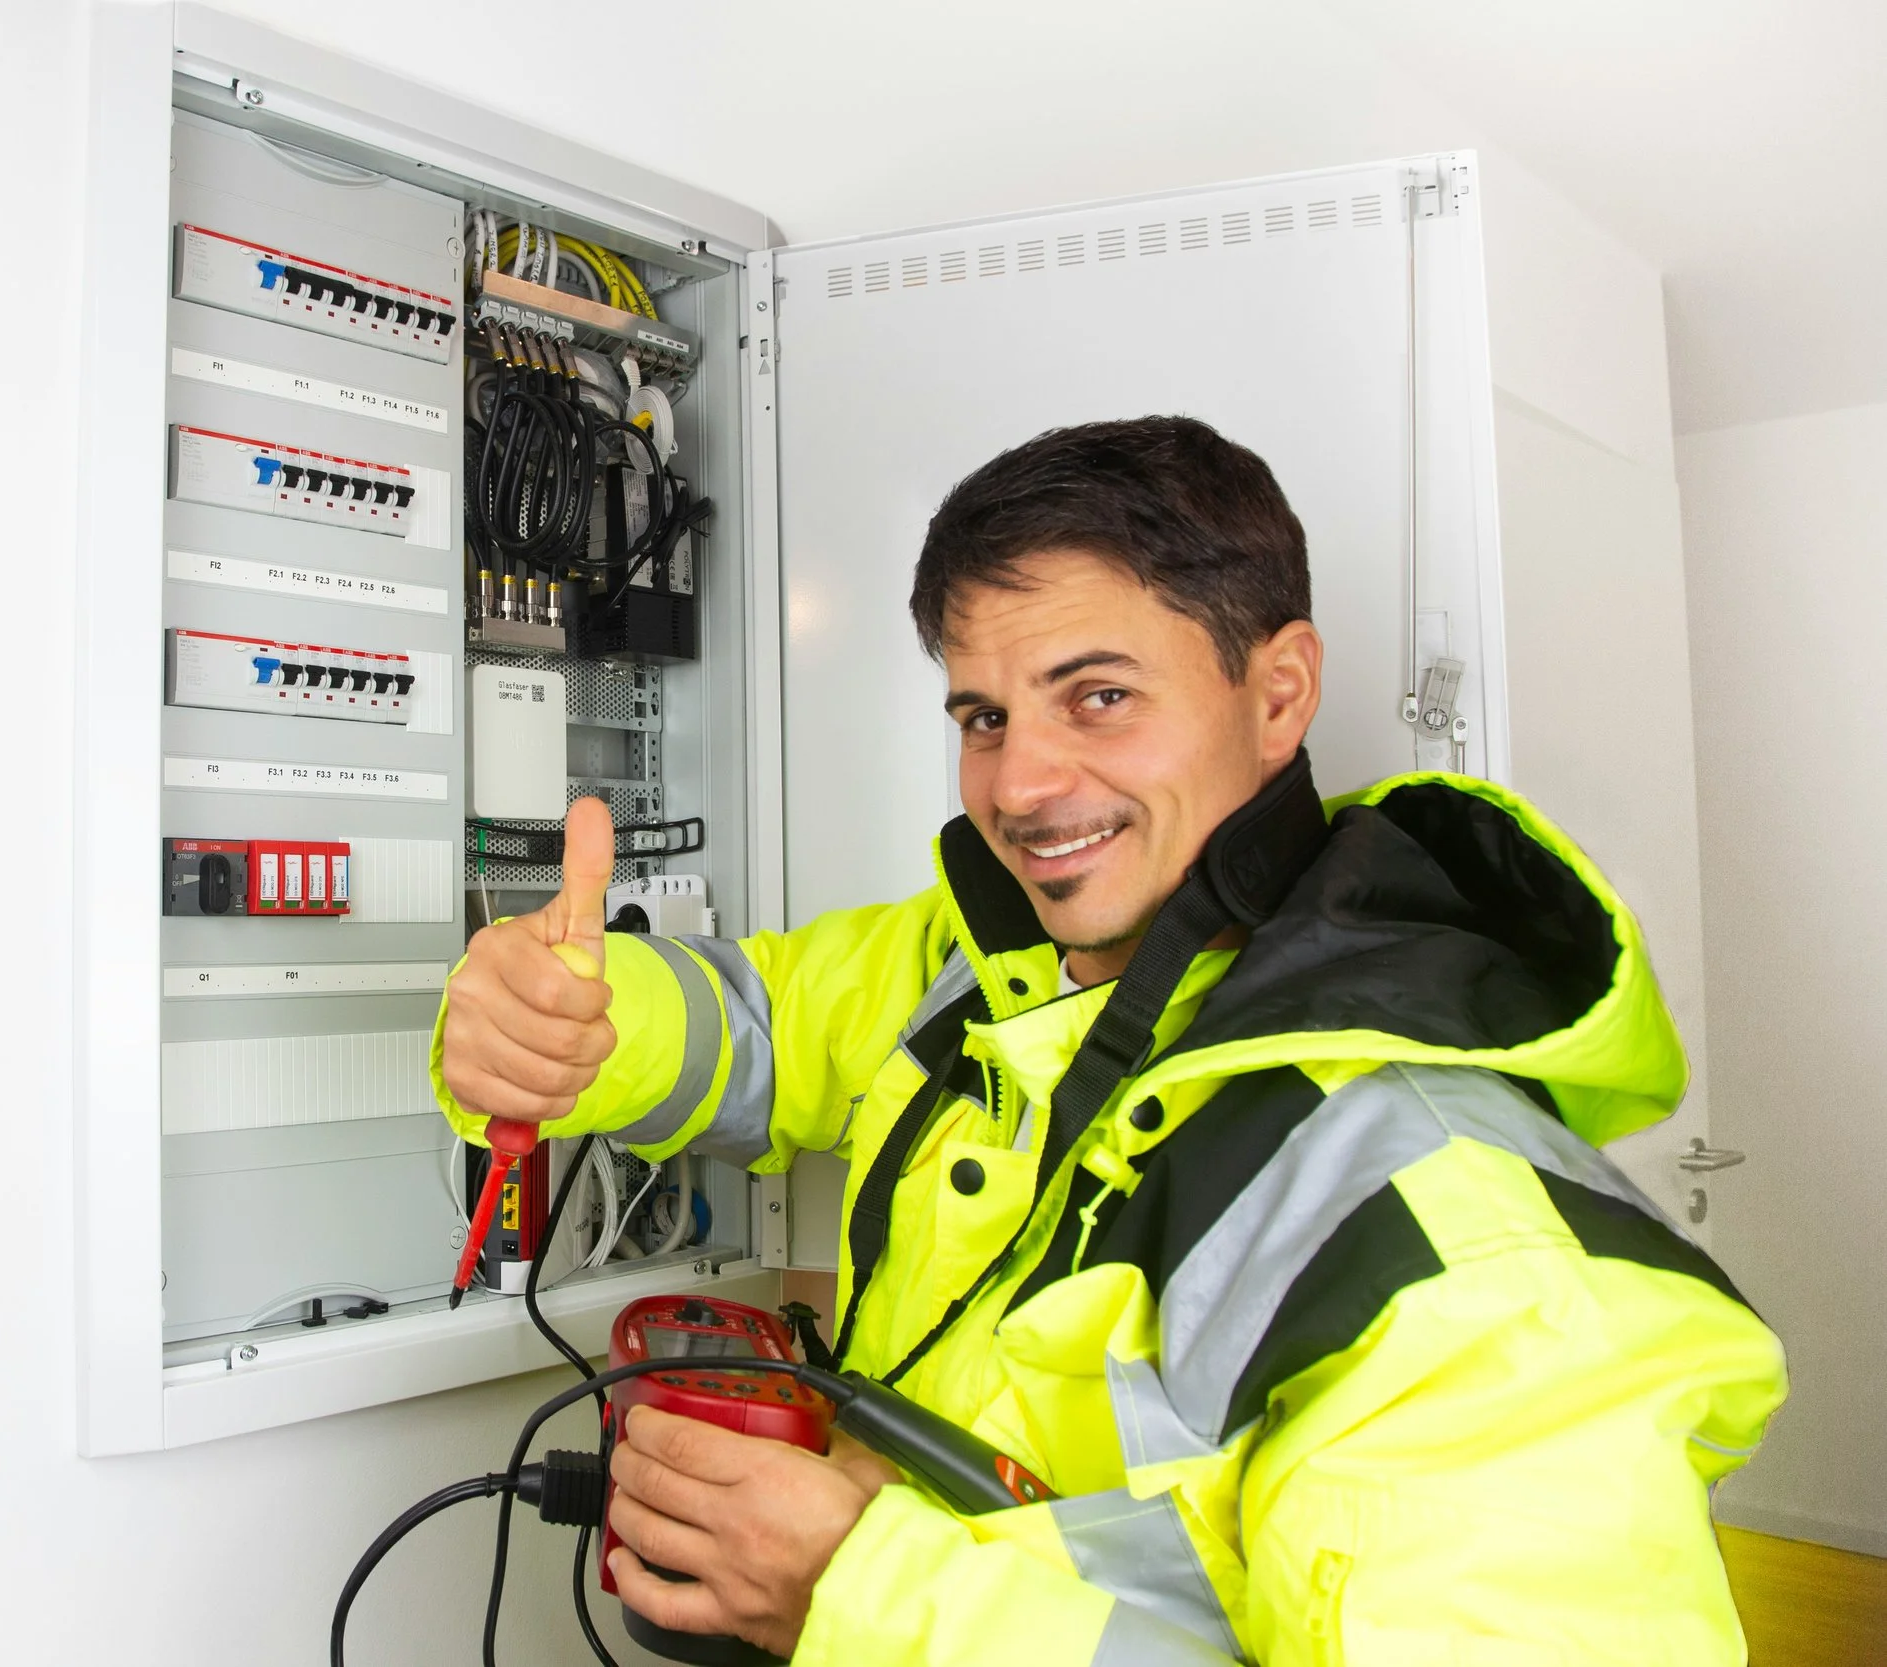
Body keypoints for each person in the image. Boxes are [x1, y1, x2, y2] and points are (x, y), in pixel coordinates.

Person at [431, 416, 1785, 1665]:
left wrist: (864, 1592)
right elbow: (761, 1025)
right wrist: (566, 1023)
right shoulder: (985, 960)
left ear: (1280, 692)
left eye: (1097, 697)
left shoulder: (1477, 1262)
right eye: (984, 716)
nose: (1018, 785)